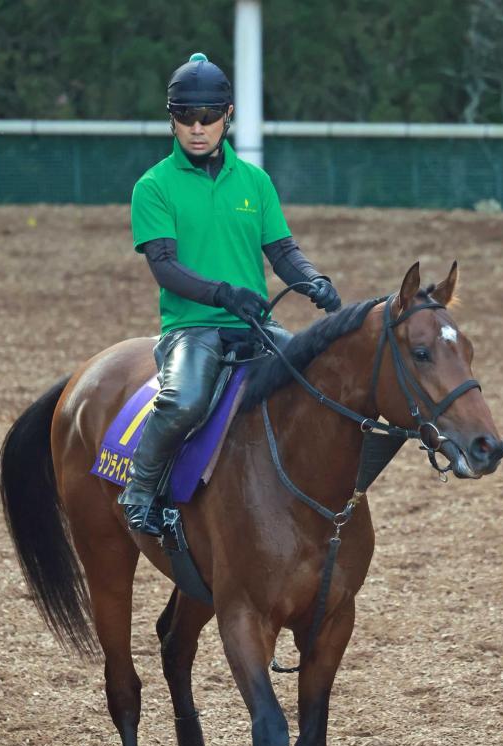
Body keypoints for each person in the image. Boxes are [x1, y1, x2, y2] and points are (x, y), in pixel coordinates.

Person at [119, 53, 342, 535]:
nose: (197, 128)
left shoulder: (255, 182)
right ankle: (139, 490)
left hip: (255, 324)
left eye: (208, 117)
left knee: (322, 383)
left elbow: (282, 250)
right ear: (171, 119)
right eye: (185, 118)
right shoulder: (153, 186)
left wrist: (311, 279)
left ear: (228, 116)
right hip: (192, 328)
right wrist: (224, 294)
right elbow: (165, 267)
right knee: (183, 401)